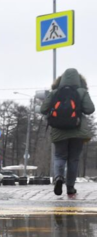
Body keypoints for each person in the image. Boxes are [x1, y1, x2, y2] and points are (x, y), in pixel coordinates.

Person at [40, 68, 95, 197]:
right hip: (77, 131)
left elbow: (43, 109)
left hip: (59, 131)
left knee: (59, 156)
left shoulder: (55, 92)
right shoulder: (82, 92)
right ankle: (70, 187)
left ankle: (58, 177)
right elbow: (90, 109)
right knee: (73, 160)